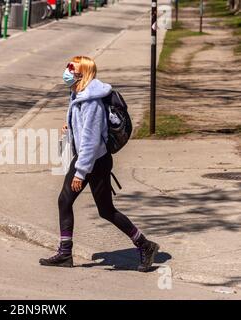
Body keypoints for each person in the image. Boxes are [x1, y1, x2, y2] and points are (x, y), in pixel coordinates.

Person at [39, 56, 159, 272]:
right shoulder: (78, 93)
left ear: (82, 73)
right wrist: (71, 128)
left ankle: (145, 245)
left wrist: (80, 172)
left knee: (104, 210)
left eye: (71, 68)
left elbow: (92, 140)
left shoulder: (91, 100)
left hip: (95, 160)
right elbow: (85, 130)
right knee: (68, 202)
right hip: (89, 157)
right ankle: (65, 253)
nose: (66, 70)